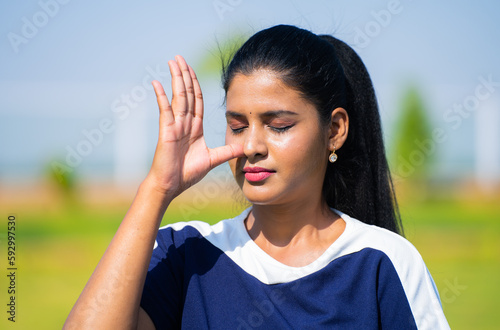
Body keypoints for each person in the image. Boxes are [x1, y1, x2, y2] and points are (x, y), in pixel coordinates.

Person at [64, 25, 450, 329]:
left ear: (334, 130)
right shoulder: (188, 255)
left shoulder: (382, 262)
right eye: (236, 125)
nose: (251, 145)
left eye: (278, 125)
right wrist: (157, 188)